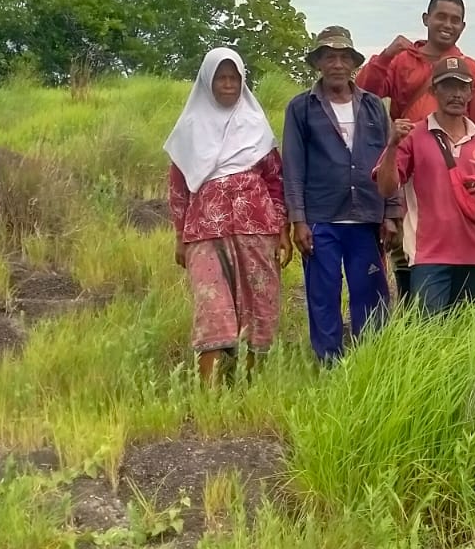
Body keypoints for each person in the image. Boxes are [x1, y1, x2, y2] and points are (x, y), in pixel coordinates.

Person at [358, 0, 475, 300]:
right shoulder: (403, 60)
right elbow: (363, 95)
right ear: (426, 19)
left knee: (457, 283)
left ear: (463, 26)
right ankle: (412, 330)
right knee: (408, 256)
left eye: (455, 20)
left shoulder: (470, 69)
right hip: (407, 173)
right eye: (441, 17)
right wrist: (384, 56)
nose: (447, 25)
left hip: (452, 183)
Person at [164, 47, 290, 382]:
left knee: (259, 305)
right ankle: (211, 396)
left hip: (258, 230)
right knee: (212, 308)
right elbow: (178, 189)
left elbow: (276, 181)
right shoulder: (189, 129)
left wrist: (283, 231)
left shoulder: (256, 125)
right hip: (204, 233)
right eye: (221, 78)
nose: (228, 84)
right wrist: (180, 236)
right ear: (208, 82)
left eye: (234, 78)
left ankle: (252, 387)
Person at [281, 26, 400, 364]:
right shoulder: (301, 108)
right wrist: (298, 220)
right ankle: (328, 363)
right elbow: (293, 167)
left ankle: (371, 360)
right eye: (329, 56)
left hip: (366, 218)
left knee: (371, 293)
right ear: (318, 62)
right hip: (321, 219)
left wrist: (391, 213)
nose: (337, 63)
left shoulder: (374, 107)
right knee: (323, 294)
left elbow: (388, 160)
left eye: (343, 57)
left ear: (353, 63)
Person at [375, 56, 475, 313]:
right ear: (434, 91)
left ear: (471, 92)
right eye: (448, 86)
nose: (456, 94)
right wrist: (392, 146)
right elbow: (386, 188)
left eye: (462, 87)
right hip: (429, 257)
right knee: (429, 339)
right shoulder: (412, 136)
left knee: (473, 337)